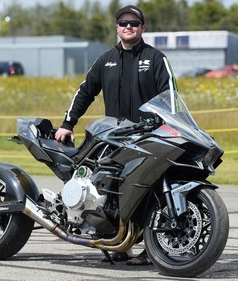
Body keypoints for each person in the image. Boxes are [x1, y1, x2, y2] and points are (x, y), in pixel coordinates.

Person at [55, 5, 178, 266]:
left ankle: (151, 249)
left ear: (143, 27)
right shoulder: (105, 60)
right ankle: (117, 243)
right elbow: (86, 92)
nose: (128, 26)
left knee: (149, 192)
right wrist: (67, 123)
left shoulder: (156, 59)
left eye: (134, 22)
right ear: (117, 27)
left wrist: (172, 125)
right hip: (113, 137)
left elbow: (171, 97)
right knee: (110, 193)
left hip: (148, 137)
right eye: (123, 22)